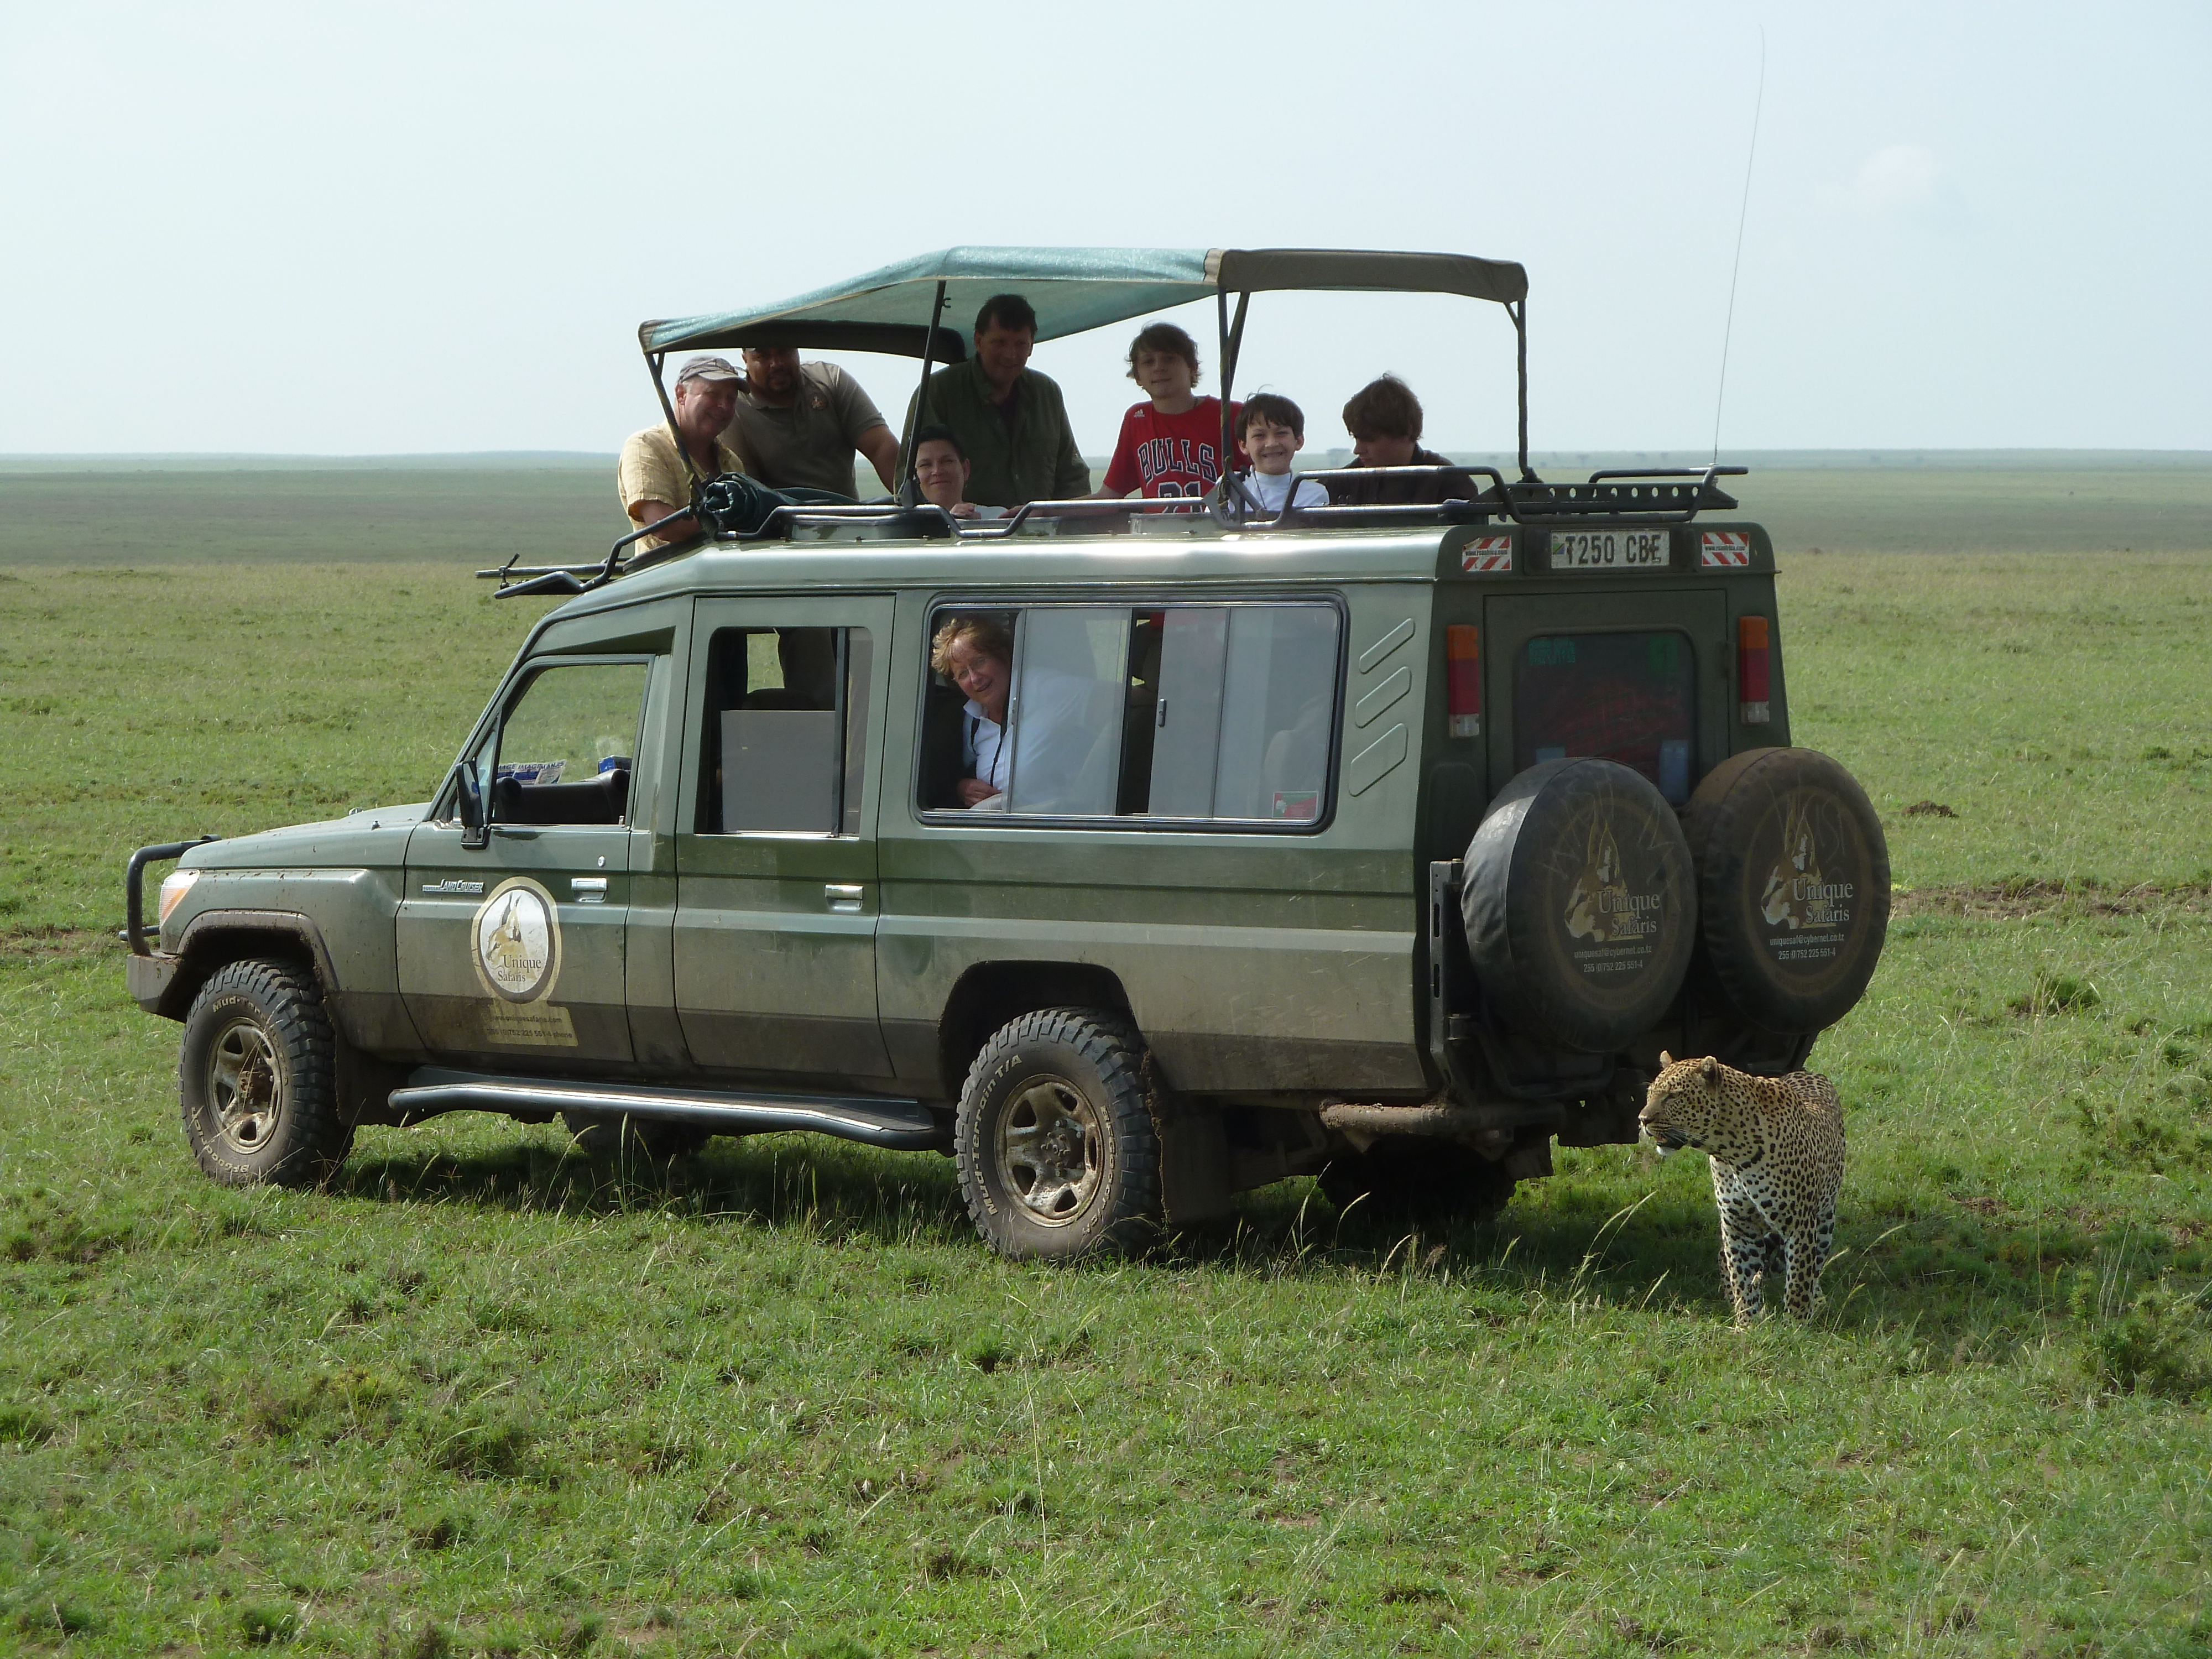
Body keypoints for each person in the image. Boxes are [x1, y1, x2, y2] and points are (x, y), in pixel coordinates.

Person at [907, 295, 1089, 508]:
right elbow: (910, 478)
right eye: (1000, 342)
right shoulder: (937, 392)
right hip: (964, 535)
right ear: (978, 341)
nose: (1010, 355)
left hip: (1040, 534)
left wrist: (1068, 523)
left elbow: (1073, 478)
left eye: (1021, 344)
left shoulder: (1048, 394)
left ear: (1031, 346)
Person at [615, 356, 753, 561]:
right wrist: (729, 520)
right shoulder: (646, 446)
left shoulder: (731, 462)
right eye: (713, 395)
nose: (724, 406)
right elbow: (664, 526)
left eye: (731, 399)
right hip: (668, 582)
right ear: (681, 394)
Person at [1096, 322, 1243, 507]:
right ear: (1138, 376)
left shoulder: (1231, 415)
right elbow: (1110, 495)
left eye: (1169, 359)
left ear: (1193, 368)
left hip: (1215, 532)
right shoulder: (1136, 419)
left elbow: (1264, 478)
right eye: (1149, 362)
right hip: (1159, 533)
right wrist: (1050, 510)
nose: (1159, 368)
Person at [729, 345, 901, 497]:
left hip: (848, 520)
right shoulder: (735, 411)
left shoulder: (831, 380)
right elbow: (749, 492)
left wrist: (915, 503)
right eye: (763, 356)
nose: (776, 364)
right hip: (781, 525)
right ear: (745, 359)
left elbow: (881, 447)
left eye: (784, 351)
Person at [1328, 374, 1472, 505]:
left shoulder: (1449, 482)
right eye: (1356, 438)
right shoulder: (1343, 482)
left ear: (1406, 432)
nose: (1357, 450)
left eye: (1369, 439)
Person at [1232, 393, 1329, 515]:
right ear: (1243, 445)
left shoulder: (1314, 494)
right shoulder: (1230, 491)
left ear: (1299, 441)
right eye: (1259, 436)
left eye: (1281, 433)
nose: (1271, 444)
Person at [912, 425, 1003, 521]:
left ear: (965, 469)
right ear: (915, 475)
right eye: (926, 465)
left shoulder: (999, 517)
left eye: (947, 461)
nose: (937, 471)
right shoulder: (906, 526)